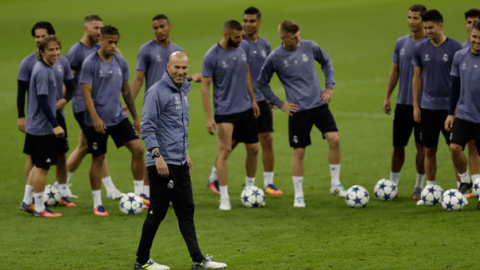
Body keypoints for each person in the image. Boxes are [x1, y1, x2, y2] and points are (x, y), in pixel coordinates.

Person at [135, 51, 227, 270]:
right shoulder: (156, 92)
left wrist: (185, 153)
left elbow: (178, 128)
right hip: (162, 164)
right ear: (168, 67)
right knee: (157, 212)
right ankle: (141, 261)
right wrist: (158, 157)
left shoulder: (182, 91)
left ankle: (197, 259)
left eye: (184, 68)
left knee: (187, 211)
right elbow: (147, 128)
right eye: (176, 67)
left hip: (179, 162)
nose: (181, 71)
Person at [257, 20, 346, 208]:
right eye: (294, 37)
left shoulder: (310, 46)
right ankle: (299, 194)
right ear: (283, 38)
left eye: (299, 35)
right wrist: (280, 104)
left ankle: (335, 183)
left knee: (335, 139)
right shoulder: (275, 57)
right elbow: (262, 83)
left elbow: (326, 61)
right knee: (299, 151)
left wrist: (329, 86)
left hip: (318, 105)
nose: (298, 40)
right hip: (298, 111)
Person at [206, 7, 283, 196]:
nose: (247, 25)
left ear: (259, 23)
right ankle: (214, 177)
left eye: (251, 21)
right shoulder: (236, 45)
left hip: (259, 99)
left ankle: (268, 183)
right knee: (229, 145)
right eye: (245, 21)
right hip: (238, 103)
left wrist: (267, 100)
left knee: (266, 140)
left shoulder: (264, 45)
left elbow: (262, 74)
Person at [131, 14, 201, 204]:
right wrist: (128, 104)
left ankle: (162, 193)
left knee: (170, 148)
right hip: (154, 104)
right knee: (154, 148)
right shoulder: (146, 50)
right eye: (155, 27)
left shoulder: (176, 50)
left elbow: (178, 79)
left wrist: (191, 78)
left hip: (172, 106)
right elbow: (138, 79)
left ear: (170, 27)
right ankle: (147, 193)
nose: (159, 30)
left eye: (162, 26)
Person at [81, 25, 144, 216]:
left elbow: (126, 90)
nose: (114, 45)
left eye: (116, 42)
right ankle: (97, 203)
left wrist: (134, 117)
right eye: (110, 42)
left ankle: (140, 195)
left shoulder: (120, 62)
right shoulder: (90, 63)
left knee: (138, 149)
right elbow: (86, 94)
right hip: (97, 121)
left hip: (118, 117)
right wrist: (95, 119)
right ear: (101, 40)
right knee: (98, 158)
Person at [201, 20, 260, 211]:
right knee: (224, 151)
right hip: (225, 111)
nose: (241, 39)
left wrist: (253, 99)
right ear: (226, 35)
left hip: (244, 108)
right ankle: (224, 197)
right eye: (237, 37)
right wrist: (209, 117)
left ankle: (250, 189)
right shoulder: (212, 55)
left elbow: (247, 74)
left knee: (253, 149)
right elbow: (204, 87)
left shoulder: (244, 48)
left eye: (241, 36)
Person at [18, 23, 76, 214]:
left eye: (57, 49)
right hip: (42, 127)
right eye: (51, 50)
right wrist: (55, 125)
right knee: (42, 168)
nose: (55, 53)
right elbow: (43, 101)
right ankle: (40, 208)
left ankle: (27, 201)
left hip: (36, 126)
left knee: (37, 165)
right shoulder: (43, 71)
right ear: (42, 51)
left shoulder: (45, 67)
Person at [65, 15, 124, 200]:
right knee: (96, 148)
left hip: (99, 106)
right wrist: (62, 100)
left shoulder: (101, 47)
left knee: (85, 147)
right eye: (96, 28)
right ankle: (62, 185)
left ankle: (62, 184)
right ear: (86, 28)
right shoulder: (76, 51)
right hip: (83, 107)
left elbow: (117, 62)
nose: (99, 31)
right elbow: (67, 80)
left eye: (101, 28)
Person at [412, 10, 463, 205]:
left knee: (454, 150)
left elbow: (460, 81)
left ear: (441, 26)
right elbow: (417, 78)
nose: (427, 31)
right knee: (428, 149)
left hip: (449, 110)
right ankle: (430, 190)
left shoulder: (455, 48)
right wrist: (416, 105)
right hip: (427, 108)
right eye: (425, 28)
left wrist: (457, 107)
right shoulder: (420, 48)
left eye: (430, 28)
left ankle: (461, 189)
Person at [382, 5, 427, 200]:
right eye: (409, 17)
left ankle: (419, 186)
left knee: (422, 146)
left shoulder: (429, 45)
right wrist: (387, 96)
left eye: (415, 18)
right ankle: (393, 185)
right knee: (398, 146)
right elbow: (395, 71)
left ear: (424, 21)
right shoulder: (401, 43)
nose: (411, 21)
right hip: (403, 104)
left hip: (425, 105)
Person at [445, 21, 480, 208]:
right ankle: (465, 180)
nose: (477, 41)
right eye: (474, 37)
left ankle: (479, 190)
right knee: (454, 148)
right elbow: (455, 87)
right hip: (464, 115)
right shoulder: (460, 56)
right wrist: (451, 114)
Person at [461, 8, 480, 199]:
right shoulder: (461, 51)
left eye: (475, 22)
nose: (471, 26)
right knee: (470, 145)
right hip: (468, 111)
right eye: (468, 22)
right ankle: (475, 186)